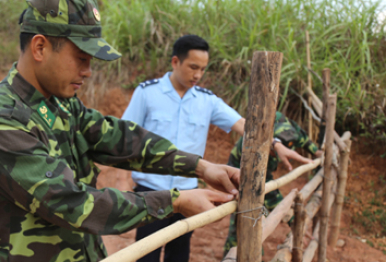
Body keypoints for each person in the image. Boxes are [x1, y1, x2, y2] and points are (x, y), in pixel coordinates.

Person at [0, 2, 242, 261]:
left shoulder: (60, 103)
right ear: (40, 48)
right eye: (81, 58)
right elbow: (69, 201)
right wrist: (174, 201)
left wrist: (200, 167)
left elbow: (118, 138)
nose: (88, 71)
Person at [121, 35, 312, 262]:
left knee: (179, 255)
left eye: (203, 69)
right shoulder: (147, 93)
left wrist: (275, 144)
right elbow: (125, 136)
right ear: (175, 62)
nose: (198, 75)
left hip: (189, 191)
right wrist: (125, 182)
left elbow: (243, 124)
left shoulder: (207, 101)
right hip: (151, 192)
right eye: (193, 67)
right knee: (145, 256)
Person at [223, 111, 323, 254]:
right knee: (245, 212)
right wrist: (292, 219)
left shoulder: (292, 134)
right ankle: (240, 251)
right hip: (239, 167)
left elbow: (304, 139)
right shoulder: (254, 150)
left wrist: (316, 152)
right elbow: (265, 189)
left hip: (264, 161)